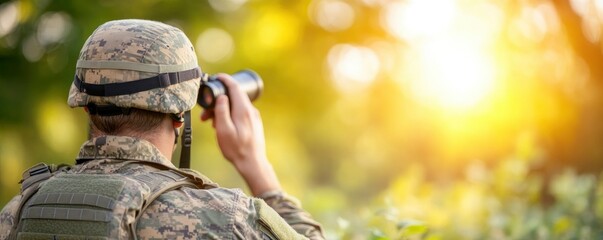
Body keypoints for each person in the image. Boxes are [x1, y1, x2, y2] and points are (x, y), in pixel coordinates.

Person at [0, 19, 323, 239]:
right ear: (181, 112)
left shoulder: (20, 210)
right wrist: (257, 168)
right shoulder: (226, 218)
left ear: (85, 103)